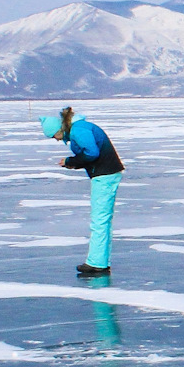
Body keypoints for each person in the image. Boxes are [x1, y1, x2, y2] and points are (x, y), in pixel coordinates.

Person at [40, 106, 125, 277]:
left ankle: (97, 263)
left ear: (59, 129)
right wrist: (73, 163)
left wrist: (71, 160)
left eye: (54, 136)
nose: (56, 140)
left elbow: (92, 153)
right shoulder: (80, 128)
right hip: (106, 173)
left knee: (99, 220)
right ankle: (99, 260)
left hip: (104, 175)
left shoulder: (79, 130)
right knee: (103, 220)